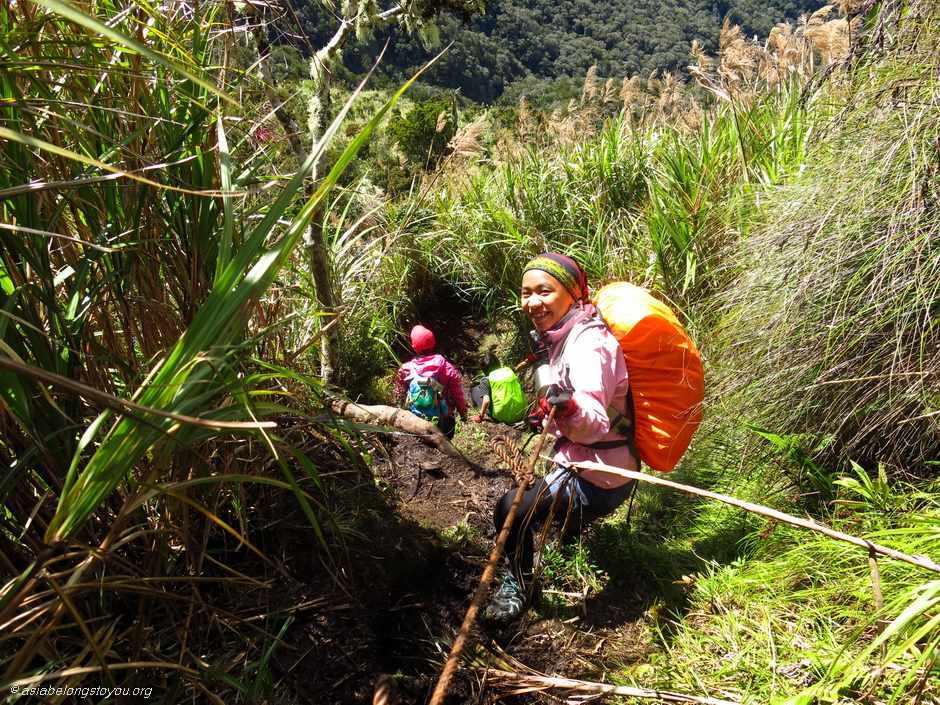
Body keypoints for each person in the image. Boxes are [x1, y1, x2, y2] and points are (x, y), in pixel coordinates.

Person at [484, 253, 637, 623]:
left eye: (544, 291)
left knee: (511, 509)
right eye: (526, 293)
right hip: (596, 463)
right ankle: (569, 536)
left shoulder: (589, 345)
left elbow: (594, 423)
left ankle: (519, 585)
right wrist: (550, 417)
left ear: (573, 293)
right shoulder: (566, 335)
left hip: (600, 475)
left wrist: (568, 409)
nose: (533, 302)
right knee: (539, 504)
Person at [394, 324, 468, 439]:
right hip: (443, 418)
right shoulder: (446, 367)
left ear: (414, 346)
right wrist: (463, 413)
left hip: (417, 419)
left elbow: (398, 392)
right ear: (433, 343)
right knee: (447, 444)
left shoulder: (406, 369)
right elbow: (457, 393)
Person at [469, 353, 528, 424]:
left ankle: (475, 407)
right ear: (498, 363)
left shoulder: (485, 380)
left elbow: (486, 401)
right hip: (522, 411)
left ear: (484, 369)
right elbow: (518, 367)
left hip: (503, 416)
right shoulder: (508, 370)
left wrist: (480, 417)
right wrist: (528, 360)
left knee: (475, 390)